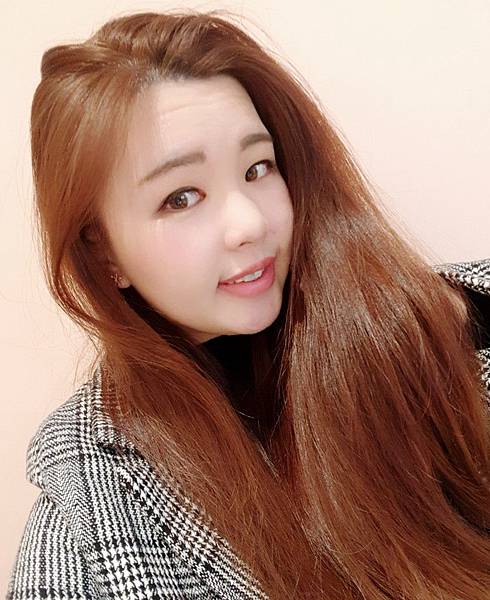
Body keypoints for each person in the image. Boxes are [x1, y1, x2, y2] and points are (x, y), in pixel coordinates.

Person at [7, 8, 490, 600]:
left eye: (258, 168)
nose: (250, 223)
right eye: (181, 198)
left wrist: (442, 327)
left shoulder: (439, 335)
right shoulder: (91, 534)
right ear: (103, 250)